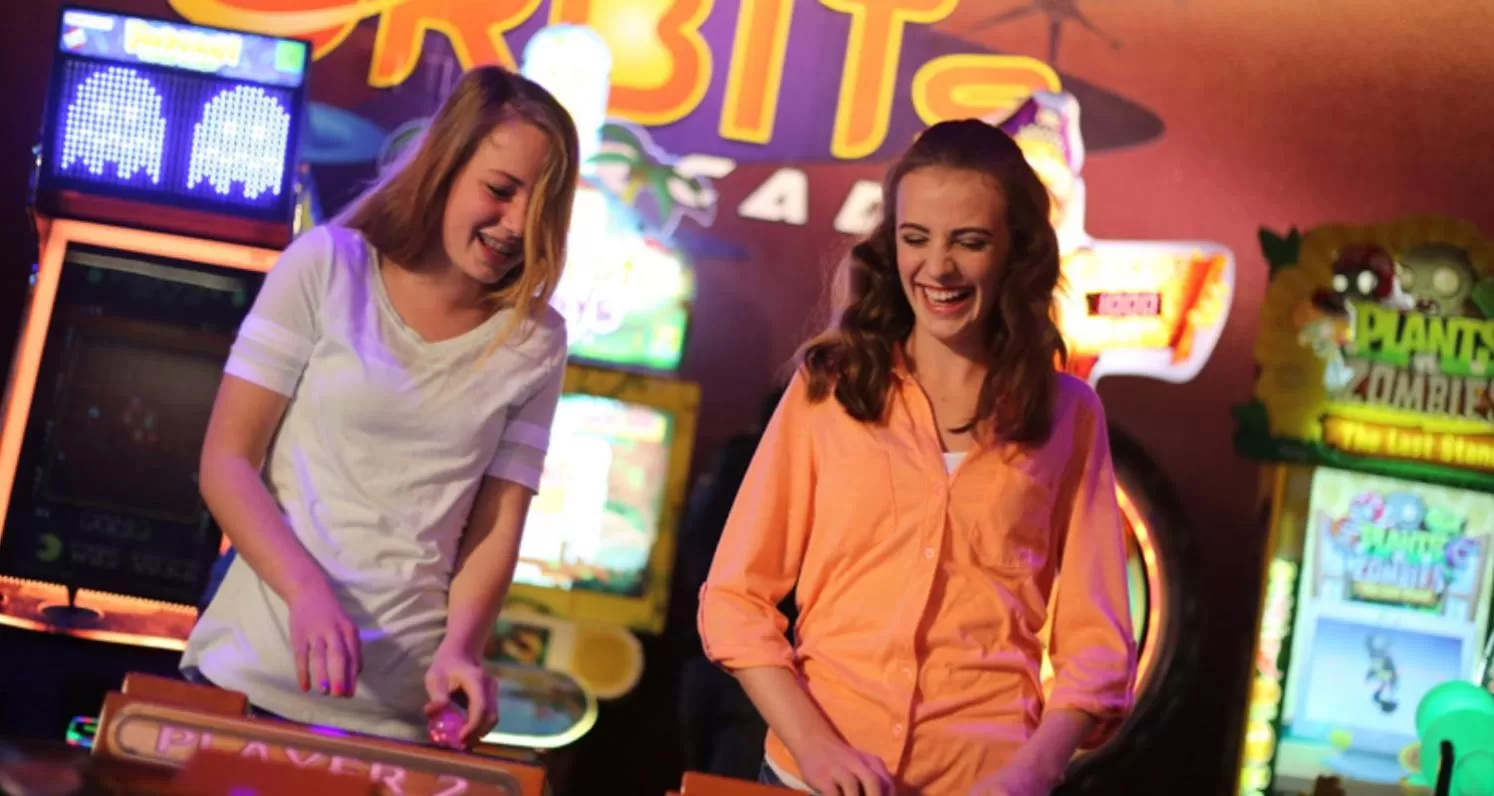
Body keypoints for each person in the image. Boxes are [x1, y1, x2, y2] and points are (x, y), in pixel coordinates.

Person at [698, 119, 1137, 796]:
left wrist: (1033, 770)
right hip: (808, 780)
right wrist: (815, 751)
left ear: (1015, 253)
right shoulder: (829, 388)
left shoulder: (1070, 417)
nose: (937, 267)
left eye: (969, 241)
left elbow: (1098, 650)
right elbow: (734, 600)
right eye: (916, 238)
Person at [181, 66, 580, 750]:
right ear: (448, 164)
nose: (516, 223)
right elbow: (226, 462)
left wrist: (462, 649)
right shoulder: (327, 266)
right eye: (500, 190)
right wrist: (305, 593)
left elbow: (494, 528)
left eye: (540, 204)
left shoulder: (537, 339)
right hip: (251, 674)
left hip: (402, 713)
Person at [675, 384, 791, 779]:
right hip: (765, 671)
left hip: (702, 654)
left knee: (701, 776)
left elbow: (692, 537)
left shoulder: (731, 457)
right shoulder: (788, 469)